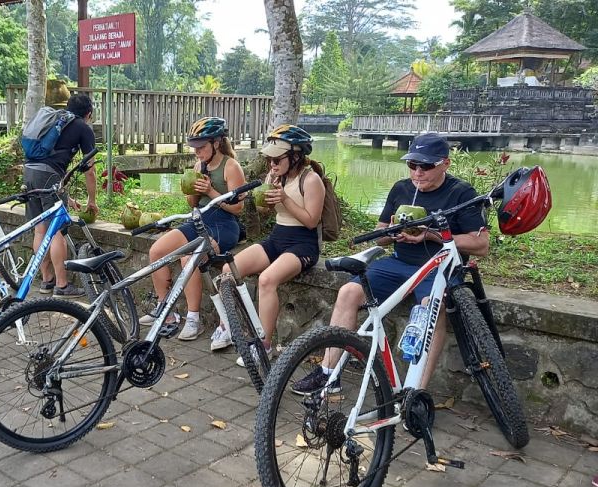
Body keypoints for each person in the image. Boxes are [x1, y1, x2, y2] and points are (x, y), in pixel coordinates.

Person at [304, 132, 489, 394]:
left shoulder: (462, 193)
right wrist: (391, 233)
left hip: (438, 268)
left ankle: (415, 393)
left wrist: (430, 234)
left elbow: (481, 245)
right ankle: (328, 374)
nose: (417, 172)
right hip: (399, 262)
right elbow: (380, 236)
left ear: (445, 164)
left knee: (431, 310)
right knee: (348, 292)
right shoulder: (401, 189)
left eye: (426, 166)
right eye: (412, 165)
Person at [216, 125, 324, 365]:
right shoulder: (275, 177)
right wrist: (266, 199)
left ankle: (265, 345)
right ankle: (232, 328)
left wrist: (284, 199)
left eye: (277, 159)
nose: (272, 165)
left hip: (303, 245)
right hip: (277, 238)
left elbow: (311, 221)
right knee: (227, 271)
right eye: (269, 160)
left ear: (295, 156)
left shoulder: (311, 179)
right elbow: (267, 213)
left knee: (266, 280)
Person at [138, 117, 246, 341]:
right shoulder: (199, 165)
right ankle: (165, 310)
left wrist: (211, 190)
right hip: (200, 220)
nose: (197, 152)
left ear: (216, 143)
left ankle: (193, 318)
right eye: (194, 148)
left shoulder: (231, 166)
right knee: (157, 251)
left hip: (224, 224)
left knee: (190, 258)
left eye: (201, 147)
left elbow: (238, 208)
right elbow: (192, 204)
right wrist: (193, 190)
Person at [24, 93, 98, 297]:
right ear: (88, 113)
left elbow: (55, 160)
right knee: (56, 231)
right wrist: (92, 200)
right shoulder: (83, 128)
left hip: (29, 172)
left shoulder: (57, 121)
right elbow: (89, 170)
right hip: (48, 176)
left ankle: (46, 281)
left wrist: (66, 195)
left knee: (40, 230)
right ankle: (62, 286)